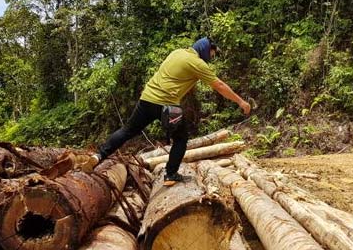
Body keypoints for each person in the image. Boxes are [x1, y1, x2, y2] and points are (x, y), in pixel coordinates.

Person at [94, 37, 251, 186]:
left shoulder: (176, 53)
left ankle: (98, 156)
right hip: (167, 106)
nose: (212, 57)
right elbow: (220, 86)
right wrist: (241, 102)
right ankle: (170, 174)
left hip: (147, 98)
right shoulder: (197, 63)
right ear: (205, 49)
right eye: (212, 53)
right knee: (181, 139)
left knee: (128, 130)